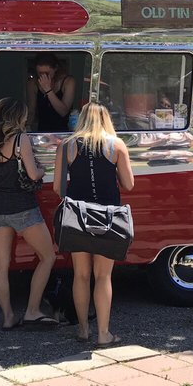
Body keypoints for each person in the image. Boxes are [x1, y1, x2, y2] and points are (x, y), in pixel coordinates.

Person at [53, 102, 135, 345]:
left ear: (81, 121)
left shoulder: (66, 145)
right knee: (103, 276)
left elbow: (58, 187)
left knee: (81, 275)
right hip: (107, 219)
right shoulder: (116, 145)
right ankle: (103, 333)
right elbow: (129, 184)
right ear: (105, 120)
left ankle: (82, 330)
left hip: (77, 217)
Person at [0, 97, 58, 330]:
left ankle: (7, 317)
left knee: (1, 265)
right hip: (23, 208)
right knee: (48, 257)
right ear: (17, 117)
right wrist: (44, 168)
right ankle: (33, 311)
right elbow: (33, 175)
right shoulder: (20, 139)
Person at [26, 53, 76, 132]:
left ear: (55, 68)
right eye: (40, 74)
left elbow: (64, 112)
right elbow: (31, 111)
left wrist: (48, 90)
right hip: (42, 131)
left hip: (63, 131)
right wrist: (26, 127)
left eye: (46, 73)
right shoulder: (33, 83)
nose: (43, 77)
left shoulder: (68, 81)